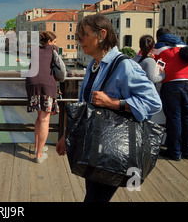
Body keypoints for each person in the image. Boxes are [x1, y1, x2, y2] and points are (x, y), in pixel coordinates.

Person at [56, 14, 162, 202]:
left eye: (84, 34)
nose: (79, 39)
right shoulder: (93, 66)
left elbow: (153, 102)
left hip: (113, 151)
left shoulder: (125, 66)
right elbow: (85, 108)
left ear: (102, 34)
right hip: (94, 148)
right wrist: (67, 134)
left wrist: (112, 103)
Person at [153, 27, 188, 161]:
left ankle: (175, 152)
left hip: (174, 83)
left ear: (158, 37)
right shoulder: (183, 44)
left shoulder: (159, 47)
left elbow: (152, 63)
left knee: (174, 118)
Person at [25, 31, 65, 163]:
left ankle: (37, 147)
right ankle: (39, 155)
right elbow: (61, 71)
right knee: (44, 119)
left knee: (39, 117)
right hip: (46, 85)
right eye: (54, 41)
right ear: (49, 42)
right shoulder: (54, 50)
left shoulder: (34, 50)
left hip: (32, 84)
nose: (56, 43)